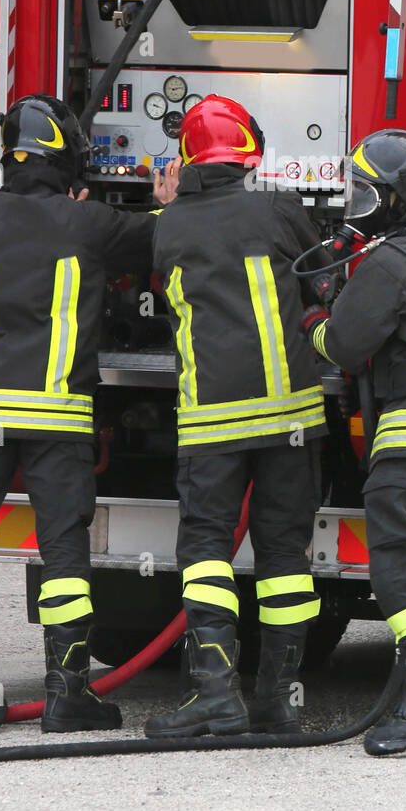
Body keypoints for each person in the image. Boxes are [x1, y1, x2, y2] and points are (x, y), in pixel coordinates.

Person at [0, 93, 179, 734]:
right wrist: (168, 202)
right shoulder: (87, 225)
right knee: (63, 553)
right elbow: (154, 241)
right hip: (55, 419)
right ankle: (66, 696)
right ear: (69, 161)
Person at [144, 95, 330, 738]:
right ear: (250, 150)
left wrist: (170, 205)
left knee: (205, 550)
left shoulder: (168, 226)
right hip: (292, 418)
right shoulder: (281, 208)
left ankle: (216, 694)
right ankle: (278, 702)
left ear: (188, 159)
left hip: (212, 425)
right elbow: (325, 280)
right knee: (283, 554)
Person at [304, 129, 406, 755]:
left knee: (399, 568)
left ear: (396, 198)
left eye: (366, 192)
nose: (356, 202)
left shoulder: (391, 262)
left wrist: (315, 316)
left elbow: (345, 347)